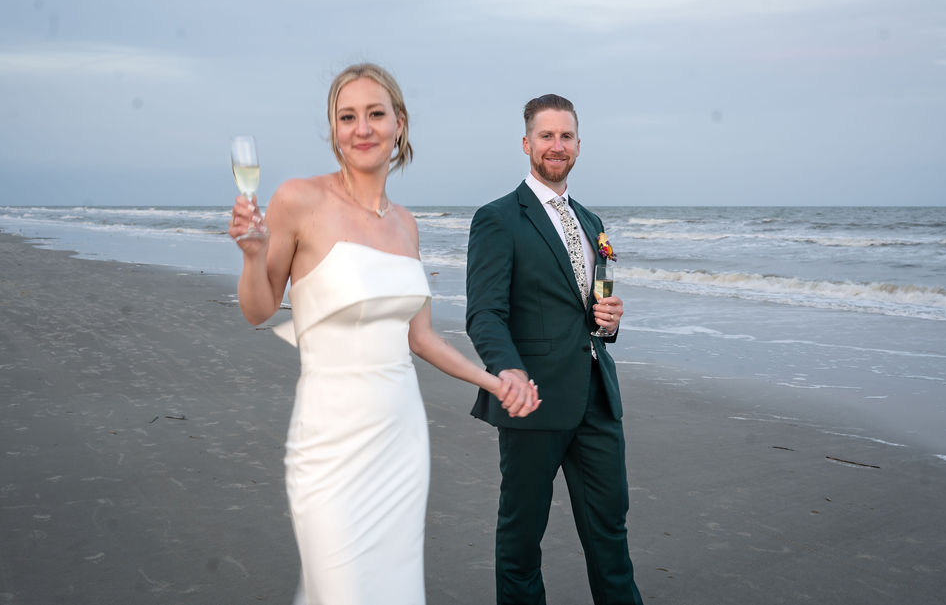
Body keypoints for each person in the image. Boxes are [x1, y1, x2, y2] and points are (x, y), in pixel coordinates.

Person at [229, 63, 539, 605]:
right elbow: (258, 310)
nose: (362, 128)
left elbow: (421, 339)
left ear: (400, 123)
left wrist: (497, 383)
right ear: (333, 130)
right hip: (327, 440)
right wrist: (254, 256)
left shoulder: (406, 225)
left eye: (376, 113)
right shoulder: (298, 199)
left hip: (400, 439)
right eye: (347, 117)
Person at [465, 94, 644, 604]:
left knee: (611, 533)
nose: (556, 145)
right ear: (526, 144)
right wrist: (510, 374)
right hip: (533, 401)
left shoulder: (590, 222)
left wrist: (606, 322)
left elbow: (587, 310)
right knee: (522, 544)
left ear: (579, 146)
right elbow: (485, 314)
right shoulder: (499, 219)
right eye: (546, 136)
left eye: (566, 136)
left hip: (597, 400)